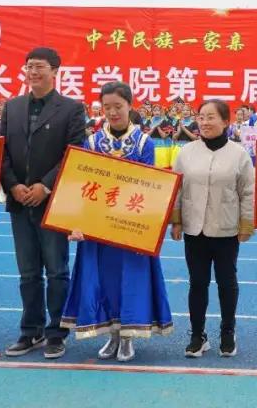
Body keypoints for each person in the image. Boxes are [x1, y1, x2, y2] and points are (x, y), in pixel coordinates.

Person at [61, 82, 173, 362]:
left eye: (118, 106)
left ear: (129, 106)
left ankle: (127, 336)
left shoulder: (145, 143)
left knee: (131, 280)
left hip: (131, 225)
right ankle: (112, 335)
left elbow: (148, 185)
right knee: (104, 280)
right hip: (98, 226)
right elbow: (85, 184)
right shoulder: (92, 142)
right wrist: (78, 222)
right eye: (106, 107)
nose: (112, 112)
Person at [0, 47, 87, 360]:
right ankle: (30, 330)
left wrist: (45, 185)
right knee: (28, 273)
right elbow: (0, 151)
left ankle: (56, 333)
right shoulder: (12, 107)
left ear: (55, 71)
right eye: (29, 66)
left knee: (57, 271)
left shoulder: (71, 109)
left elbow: (74, 152)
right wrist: (13, 185)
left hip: (53, 203)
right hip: (20, 201)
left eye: (39, 67)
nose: (33, 72)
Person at [170, 99, 254, 358]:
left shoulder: (239, 154)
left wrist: (246, 224)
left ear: (225, 121)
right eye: (201, 117)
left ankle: (228, 332)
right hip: (194, 228)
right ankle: (198, 335)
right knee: (197, 283)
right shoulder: (186, 152)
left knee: (227, 283)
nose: (204, 122)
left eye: (211, 117)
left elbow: (248, 192)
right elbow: (177, 188)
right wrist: (176, 220)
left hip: (226, 229)